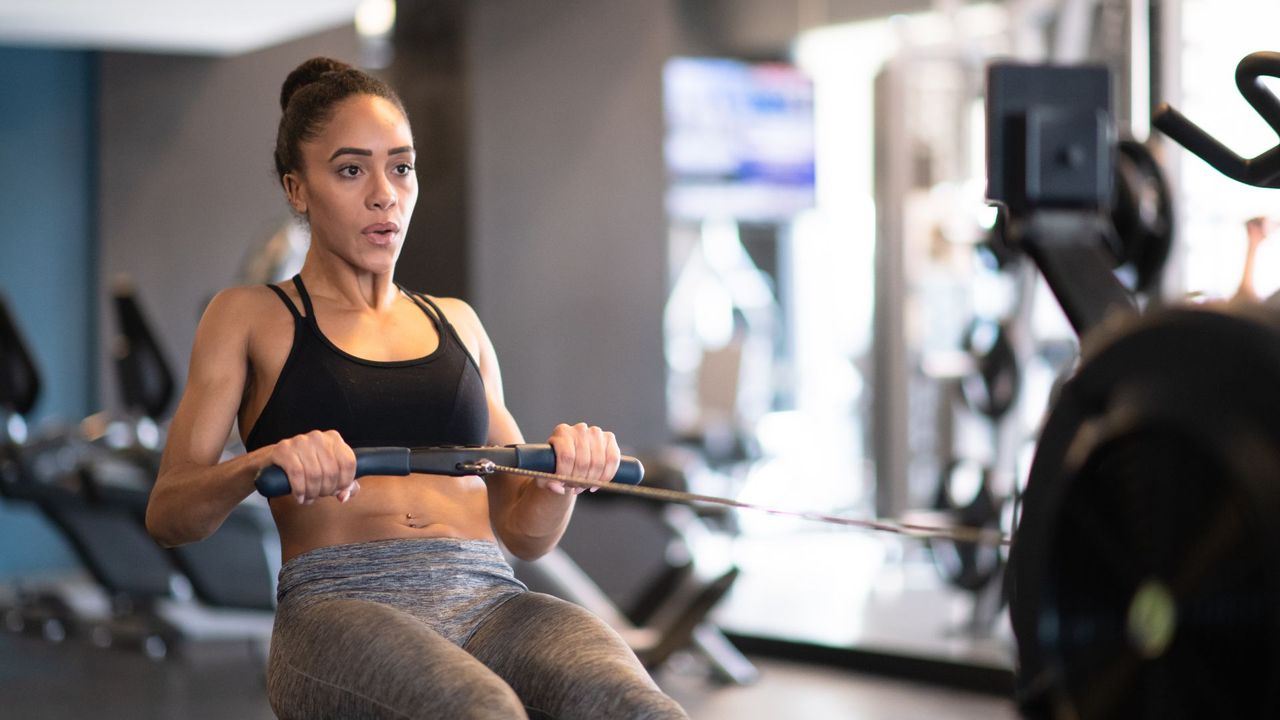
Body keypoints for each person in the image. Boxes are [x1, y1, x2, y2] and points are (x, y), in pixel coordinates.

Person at [145, 57, 689, 720]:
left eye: (400, 167)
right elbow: (170, 514)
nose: (385, 194)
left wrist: (560, 483)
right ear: (297, 188)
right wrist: (263, 461)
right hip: (339, 607)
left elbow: (523, 534)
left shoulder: (458, 322)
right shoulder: (250, 316)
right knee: (480, 711)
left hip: (492, 599)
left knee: (642, 709)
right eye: (351, 170)